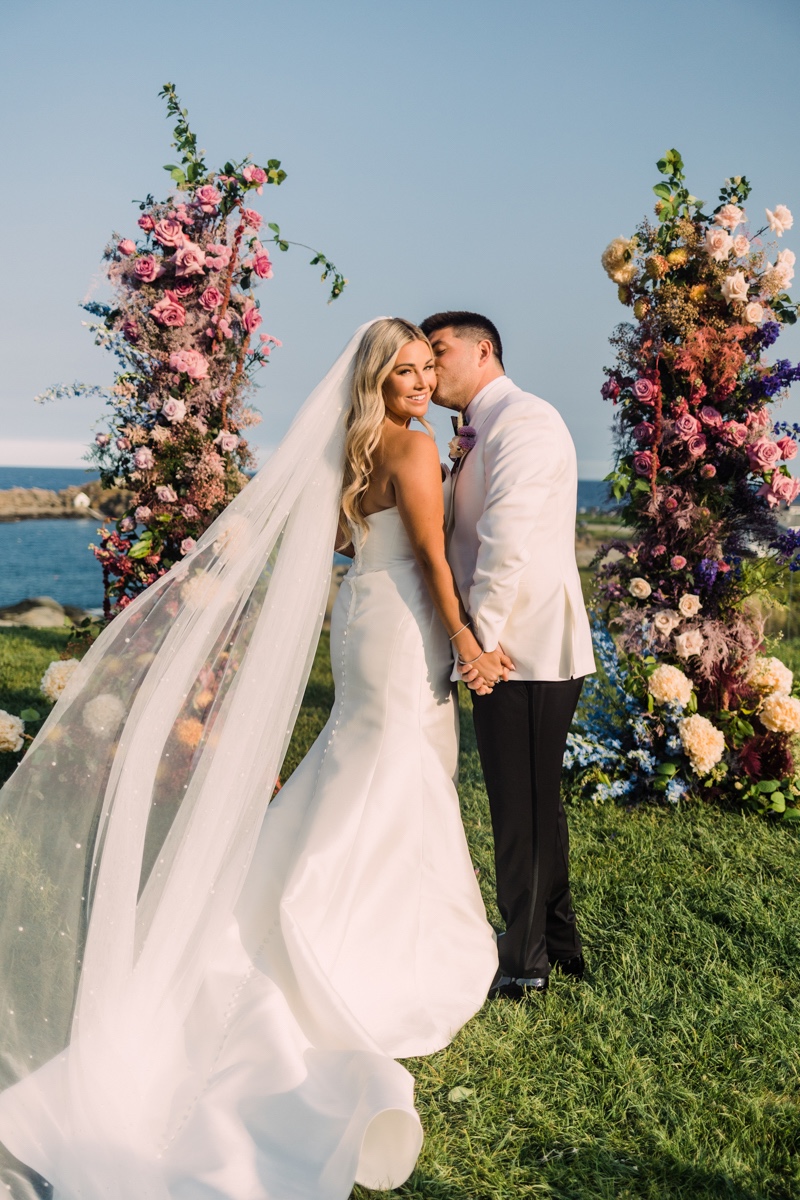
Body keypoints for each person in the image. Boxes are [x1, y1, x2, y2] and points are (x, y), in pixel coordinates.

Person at [0, 319, 499, 1200]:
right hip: (407, 623)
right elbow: (428, 556)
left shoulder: (356, 447)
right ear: (380, 378)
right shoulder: (416, 450)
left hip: (360, 618)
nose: (422, 385)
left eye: (429, 371)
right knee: (396, 770)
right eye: (408, 372)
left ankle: (305, 900)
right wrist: (468, 642)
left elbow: (351, 546)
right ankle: (354, 935)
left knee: (366, 760)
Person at [419, 310, 596, 999]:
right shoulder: (481, 429)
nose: (430, 370)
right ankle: (556, 944)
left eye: (439, 353)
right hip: (514, 647)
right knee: (535, 802)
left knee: (518, 810)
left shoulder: (523, 421)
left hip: (523, 649)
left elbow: (506, 542)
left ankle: (523, 967)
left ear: (482, 349)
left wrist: (480, 644)